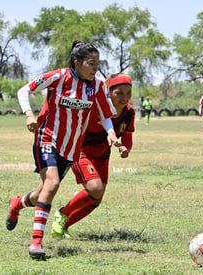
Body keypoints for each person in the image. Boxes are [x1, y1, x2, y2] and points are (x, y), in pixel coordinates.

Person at [5, 40, 120, 260]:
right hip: (47, 139)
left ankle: (17, 204)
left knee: (42, 192)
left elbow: (107, 113)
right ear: (77, 63)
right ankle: (36, 243)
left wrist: (111, 133)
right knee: (53, 183)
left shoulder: (95, 85)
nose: (96, 67)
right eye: (91, 63)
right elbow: (23, 91)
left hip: (70, 149)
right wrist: (29, 115)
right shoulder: (58, 77)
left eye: (98, 63)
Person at [50, 73, 135, 239]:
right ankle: (62, 213)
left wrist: (126, 148)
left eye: (128, 93)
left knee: (96, 199)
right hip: (81, 151)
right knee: (95, 188)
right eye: (119, 93)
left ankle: (63, 226)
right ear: (109, 92)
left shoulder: (129, 112)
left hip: (103, 155)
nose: (124, 98)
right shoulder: (96, 106)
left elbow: (128, 138)